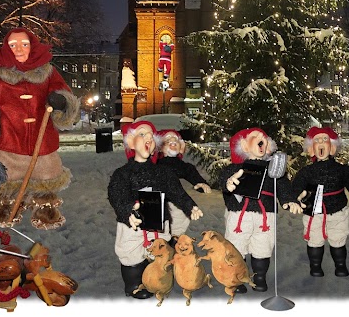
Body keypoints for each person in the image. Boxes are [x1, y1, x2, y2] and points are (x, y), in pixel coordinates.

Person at [0, 27, 80, 229]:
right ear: (6, 47)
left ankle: (45, 206)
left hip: (41, 141)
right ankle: (6, 206)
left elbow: (64, 94)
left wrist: (61, 101)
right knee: (6, 177)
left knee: (45, 176)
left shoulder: (47, 72)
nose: (19, 49)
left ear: (32, 46)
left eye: (24, 44)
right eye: (13, 45)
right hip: (6, 141)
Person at [107, 120, 204, 299]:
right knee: (132, 254)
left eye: (151, 136)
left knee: (159, 252)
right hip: (132, 224)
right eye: (142, 134)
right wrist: (127, 211)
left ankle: (157, 279)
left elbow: (177, 192)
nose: (148, 139)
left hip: (158, 222)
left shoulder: (163, 173)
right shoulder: (122, 173)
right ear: (130, 142)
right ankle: (134, 284)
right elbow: (116, 195)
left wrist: (190, 206)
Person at [220, 127, 302, 293]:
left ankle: (259, 277)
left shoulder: (273, 169)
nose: (260, 140)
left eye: (263, 138)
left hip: (266, 216)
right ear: (244, 146)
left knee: (263, 245)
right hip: (239, 215)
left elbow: (283, 184)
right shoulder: (236, 167)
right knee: (236, 245)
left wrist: (288, 200)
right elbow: (224, 177)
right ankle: (237, 279)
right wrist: (228, 183)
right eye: (254, 137)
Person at [292, 126, 349, 278]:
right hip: (313, 210)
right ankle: (315, 266)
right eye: (317, 140)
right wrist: (298, 195)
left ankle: (340, 265)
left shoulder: (342, 169)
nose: (321, 143)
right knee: (314, 240)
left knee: (338, 239)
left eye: (325, 140)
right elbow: (296, 186)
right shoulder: (306, 171)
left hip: (337, 210)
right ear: (311, 149)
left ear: (332, 148)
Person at [156, 128, 212, 237]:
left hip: (182, 207)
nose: (173, 143)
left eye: (176, 141)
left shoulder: (184, 166)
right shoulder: (157, 166)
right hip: (162, 206)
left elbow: (192, 175)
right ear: (160, 147)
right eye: (168, 142)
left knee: (177, 234)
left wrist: (200, 183)